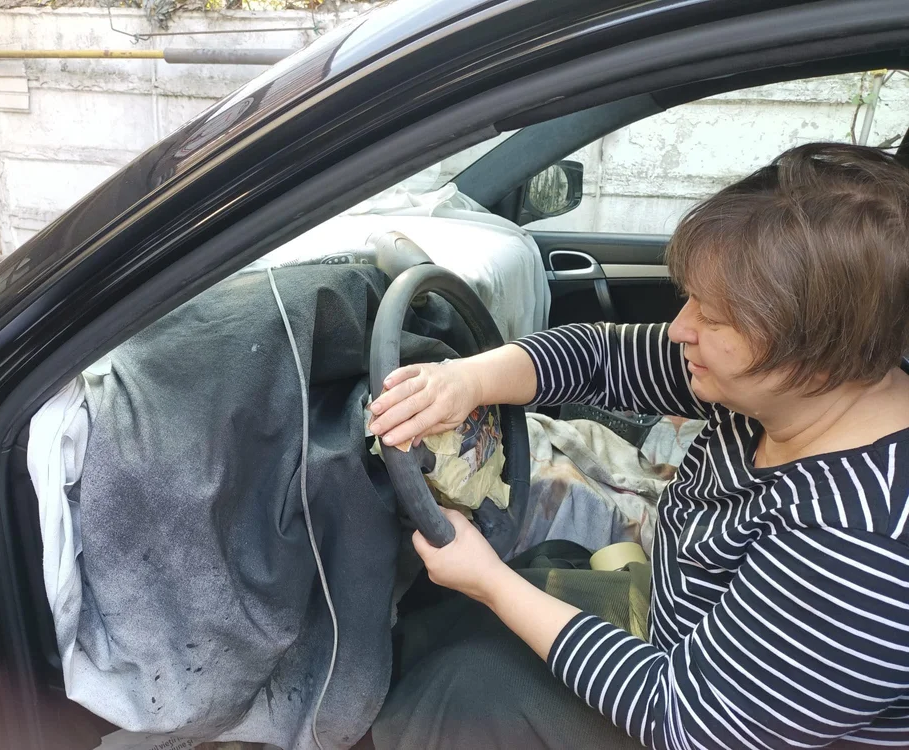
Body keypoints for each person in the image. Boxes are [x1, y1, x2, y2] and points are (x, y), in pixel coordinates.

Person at [366, 143, 909, 749]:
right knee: (467, 611)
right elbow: (602, 356)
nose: (680, 327)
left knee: (458, 692)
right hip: (673, 628)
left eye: (717, 316)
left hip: (696, 716)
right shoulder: (787, 388)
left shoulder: (864, 541)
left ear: (817, 352)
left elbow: (686, 720)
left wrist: (490, 581)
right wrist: (467, 380)